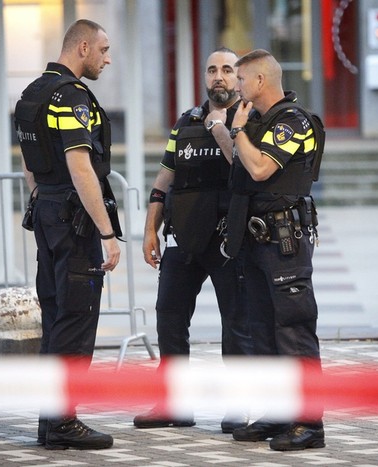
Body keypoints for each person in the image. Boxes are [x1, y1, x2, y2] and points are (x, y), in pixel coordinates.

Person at [133, 48, 254, 433]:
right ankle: (174, 403)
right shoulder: (186, 121)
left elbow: (248, 169)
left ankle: (238, 404)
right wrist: (150, 227)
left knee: (235, 323)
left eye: (227, 70)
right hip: (182, 237)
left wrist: (221, 128)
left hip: (227, 240)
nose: (219, 76)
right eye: (212, 69)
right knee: (169, 317)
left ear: (239, 77)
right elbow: (164, 179)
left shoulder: (250, 119)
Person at [15, 19, 120, 451]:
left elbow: (30, 164)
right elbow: (81, 167)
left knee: (57, 318)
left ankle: (50, 420)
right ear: (81, 48)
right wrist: (107, 232)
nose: (107, 59)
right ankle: (64, 422)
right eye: (103, 50)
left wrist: (45, 199)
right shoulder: (70, 96)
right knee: (76, 321)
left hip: (46, 212)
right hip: (72, 220)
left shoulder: (32, 93)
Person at [223, 49, 326, 451]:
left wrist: (237, 131)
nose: (237, 87)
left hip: (285, 244)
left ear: (261, 81)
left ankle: (309, 424)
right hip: (257, 242)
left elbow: (261, 168)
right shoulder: (260, 122)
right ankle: (281, 414)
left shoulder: (293, 121)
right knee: (263, 333)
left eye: (242, 80)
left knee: (294, 331)